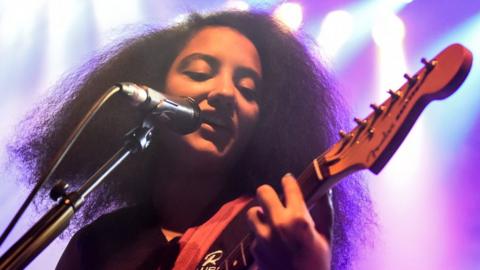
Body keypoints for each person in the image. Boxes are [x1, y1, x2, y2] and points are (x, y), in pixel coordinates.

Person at [7, 10, 373, 269]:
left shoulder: (266, 233)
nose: (226, 93)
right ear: (154, 89)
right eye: (200, 72)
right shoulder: (97, 246)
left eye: (247, 89)